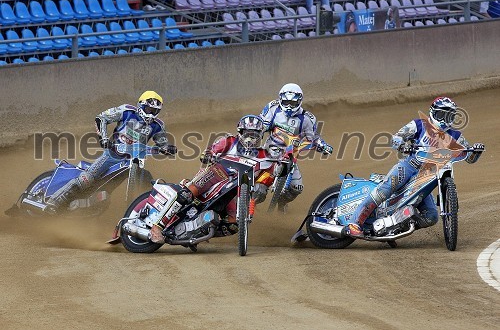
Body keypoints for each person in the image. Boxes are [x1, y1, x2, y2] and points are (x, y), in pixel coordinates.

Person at [345, 97, 485, 237]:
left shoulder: (456, 136)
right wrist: (403, 144)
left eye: (449, 116)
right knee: (386, 188)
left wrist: (476, 152)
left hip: (428, 176)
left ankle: (395, 226)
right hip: (409, 167)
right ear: (433, 113)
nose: (445, 120)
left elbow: (469, 157)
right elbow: (395, 138)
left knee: (431, 216)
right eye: (442, 115)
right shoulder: (419, 124)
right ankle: (355, 222)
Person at [150, 115, 277, 243]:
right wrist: (208, 155)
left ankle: (200, 232)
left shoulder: (265, 156)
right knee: (187, 194)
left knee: (234, 224)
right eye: (247, 134)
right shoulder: (230, 141)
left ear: (261, 135)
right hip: (217, 173)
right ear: (240, 133)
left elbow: (269, 174)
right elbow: (211, 150)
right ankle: (157, 226)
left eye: (254, 135)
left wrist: (263, 185)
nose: (250, 138)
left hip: (235, 190)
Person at [45, 91, 177, 211]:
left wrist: (167, 148)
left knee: (147, 182)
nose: (150, 113)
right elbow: (101, 118)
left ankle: (145, 214)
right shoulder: (126, 111)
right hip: (113, 154)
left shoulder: (158, 125)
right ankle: (53, 202)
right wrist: (103, 138)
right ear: (141, 105)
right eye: (148, 109)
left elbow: (162, 142)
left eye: (154, 111)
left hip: (134, 161)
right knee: (87, 178)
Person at [259, 83, 333, 211]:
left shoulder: (307, 118)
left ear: (299, 101)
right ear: (281, 99)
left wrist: (322, 145)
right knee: (259, 190)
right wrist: (260, 129)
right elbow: (262, 123)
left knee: (296, 187)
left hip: (291, 153)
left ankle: (282, 203)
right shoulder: (273, 107)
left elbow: (313, 137)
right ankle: (245, 204)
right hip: (270, 151)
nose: (288, 106)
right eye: (286, 102)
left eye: (292, 103)